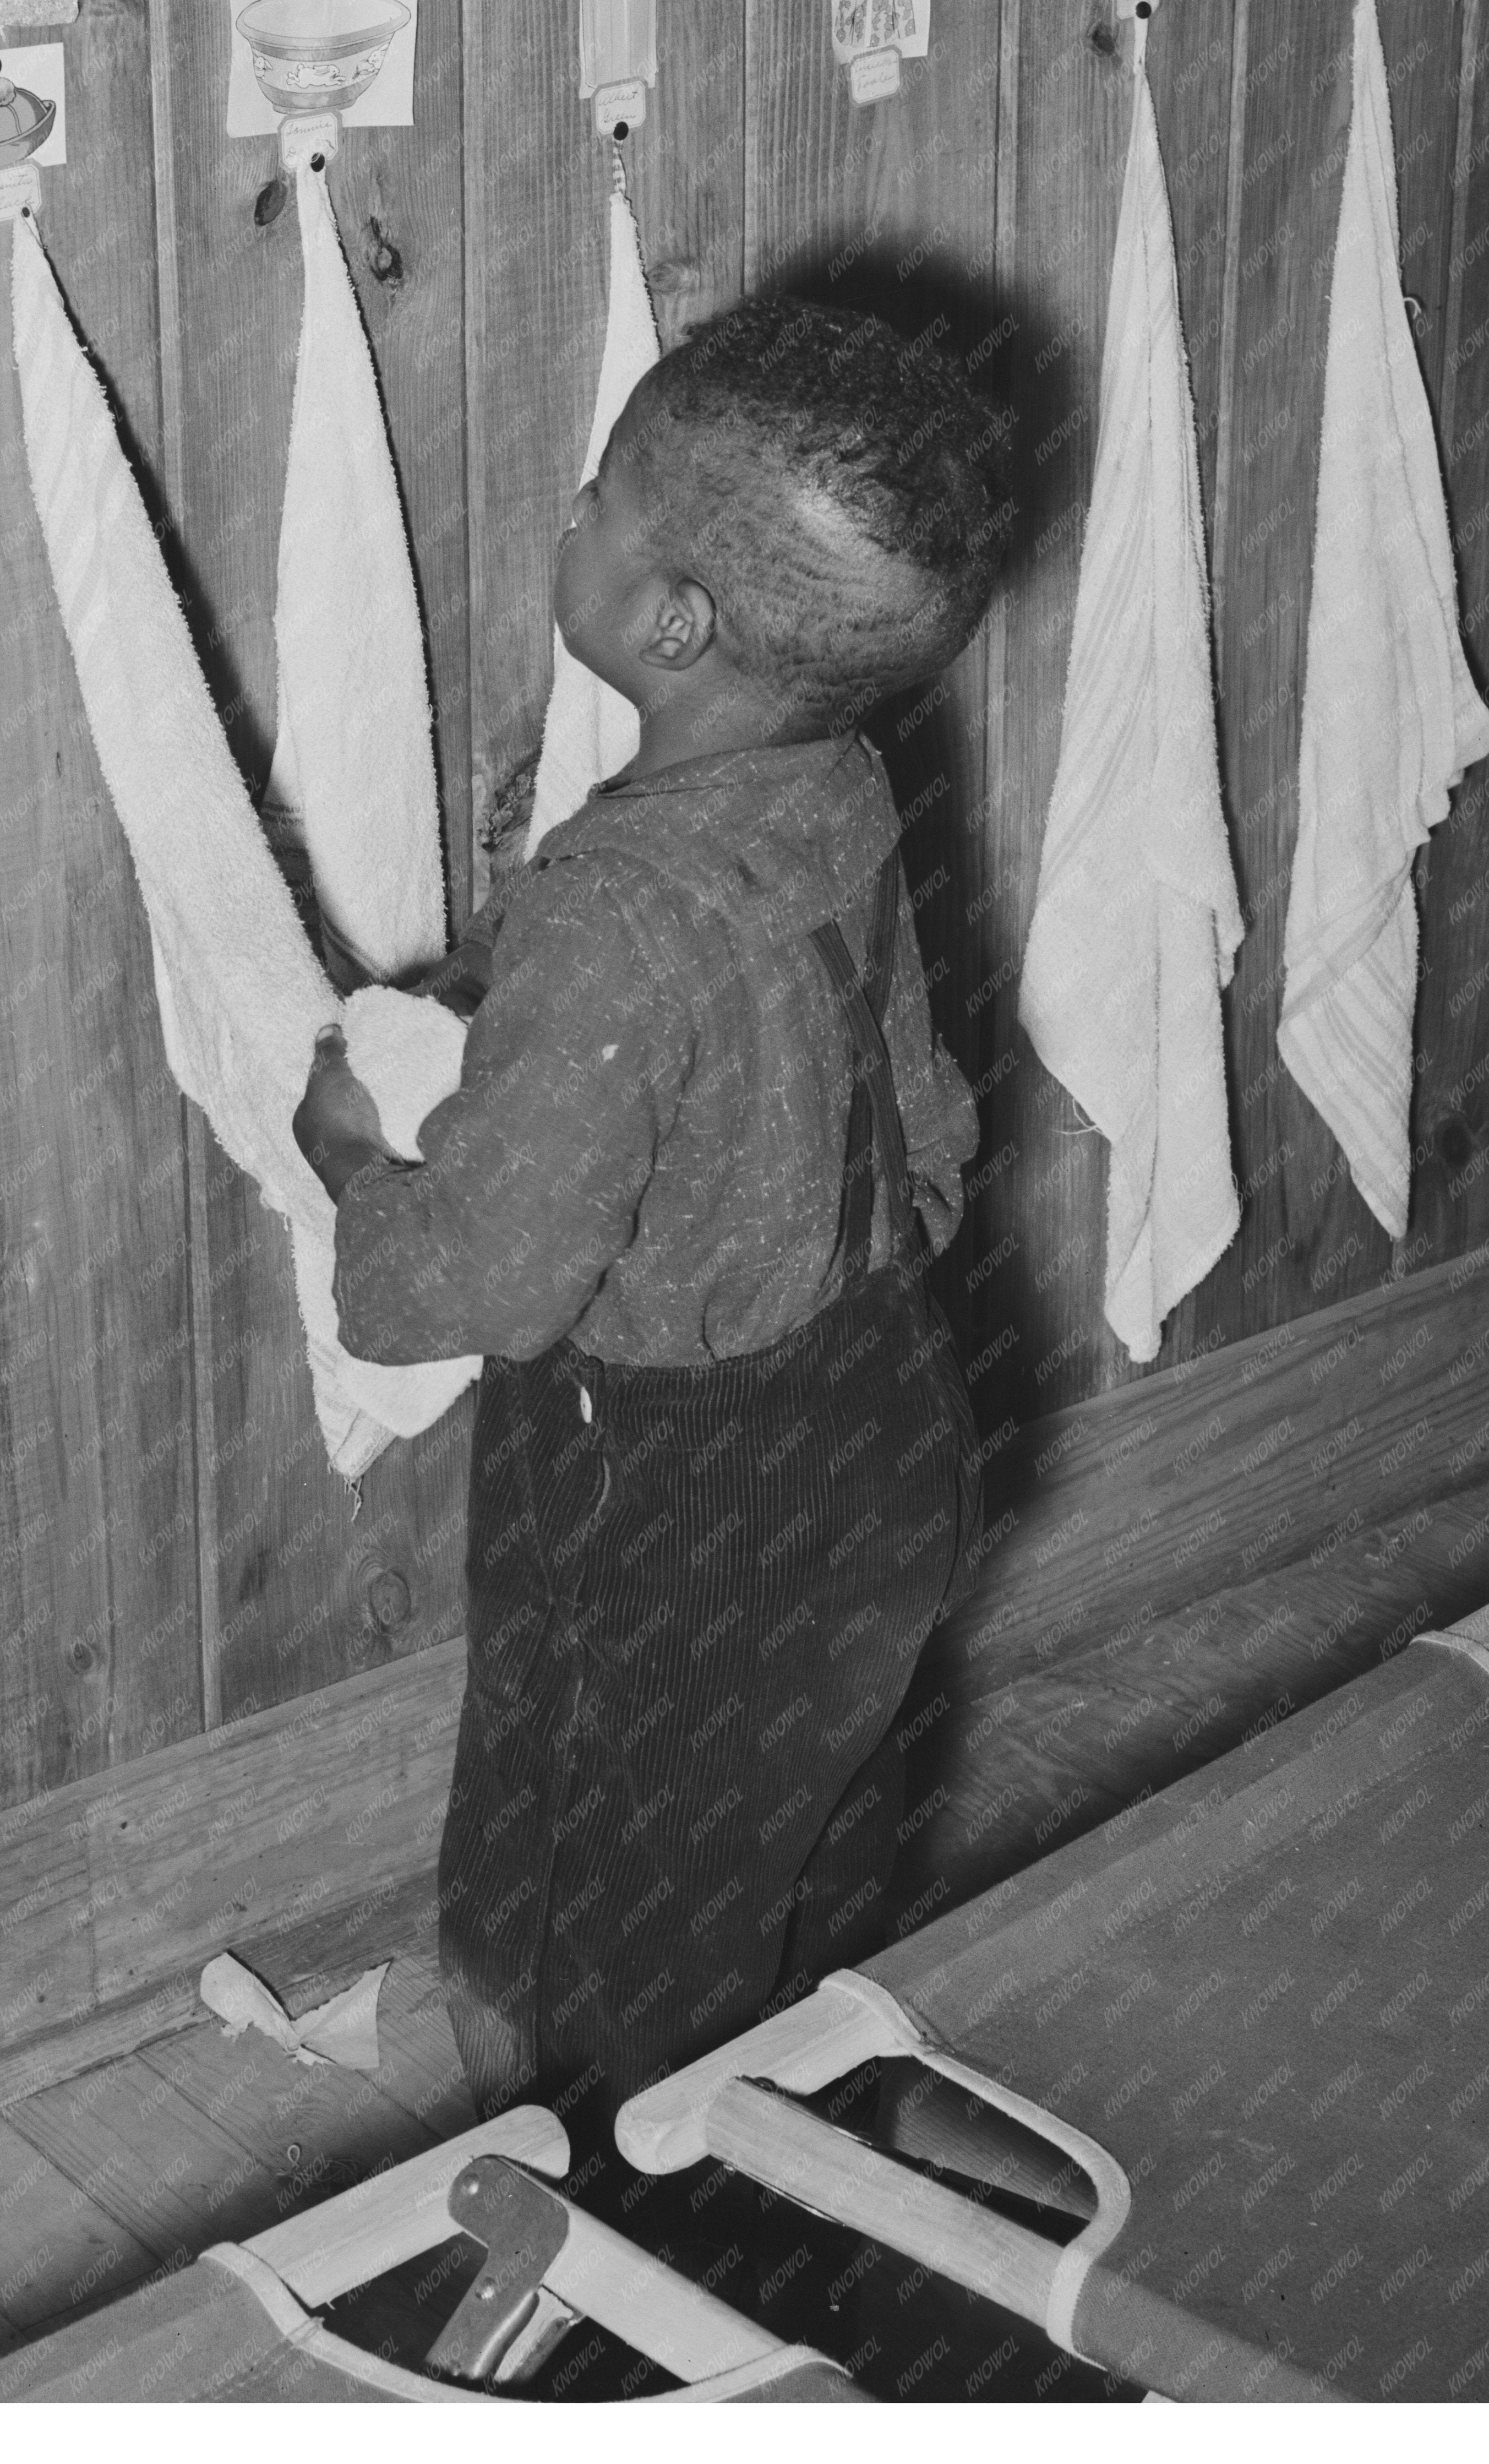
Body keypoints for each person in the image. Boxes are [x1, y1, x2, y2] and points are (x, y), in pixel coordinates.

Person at [292, 289, 1007, 2131]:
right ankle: (801, 2138)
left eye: (596, 497)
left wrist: (353, 1157)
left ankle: (586, 2239)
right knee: (801, 1821)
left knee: (579, 1878)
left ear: (667, 623)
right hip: (881, 1425)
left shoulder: (613, 904)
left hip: (670, 1497)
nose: (571, 513)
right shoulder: (837, 786)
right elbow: (922, 1126)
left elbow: (488, 1284)